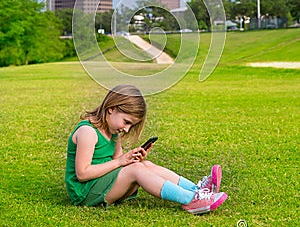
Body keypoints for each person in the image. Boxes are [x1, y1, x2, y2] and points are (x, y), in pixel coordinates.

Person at [65, 84, 227, 214]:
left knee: (144, 165)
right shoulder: (88, 132)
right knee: (136, 169)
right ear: (111, 109)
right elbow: (83, 173)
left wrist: (131, 159)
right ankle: (191, 199)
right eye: (126, 122)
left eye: (131, 125)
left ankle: (197, 190)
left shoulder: (113, 131)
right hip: (84, 194)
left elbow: (119, 163)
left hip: (102, 185)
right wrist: (122, 161)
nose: (127, 129)